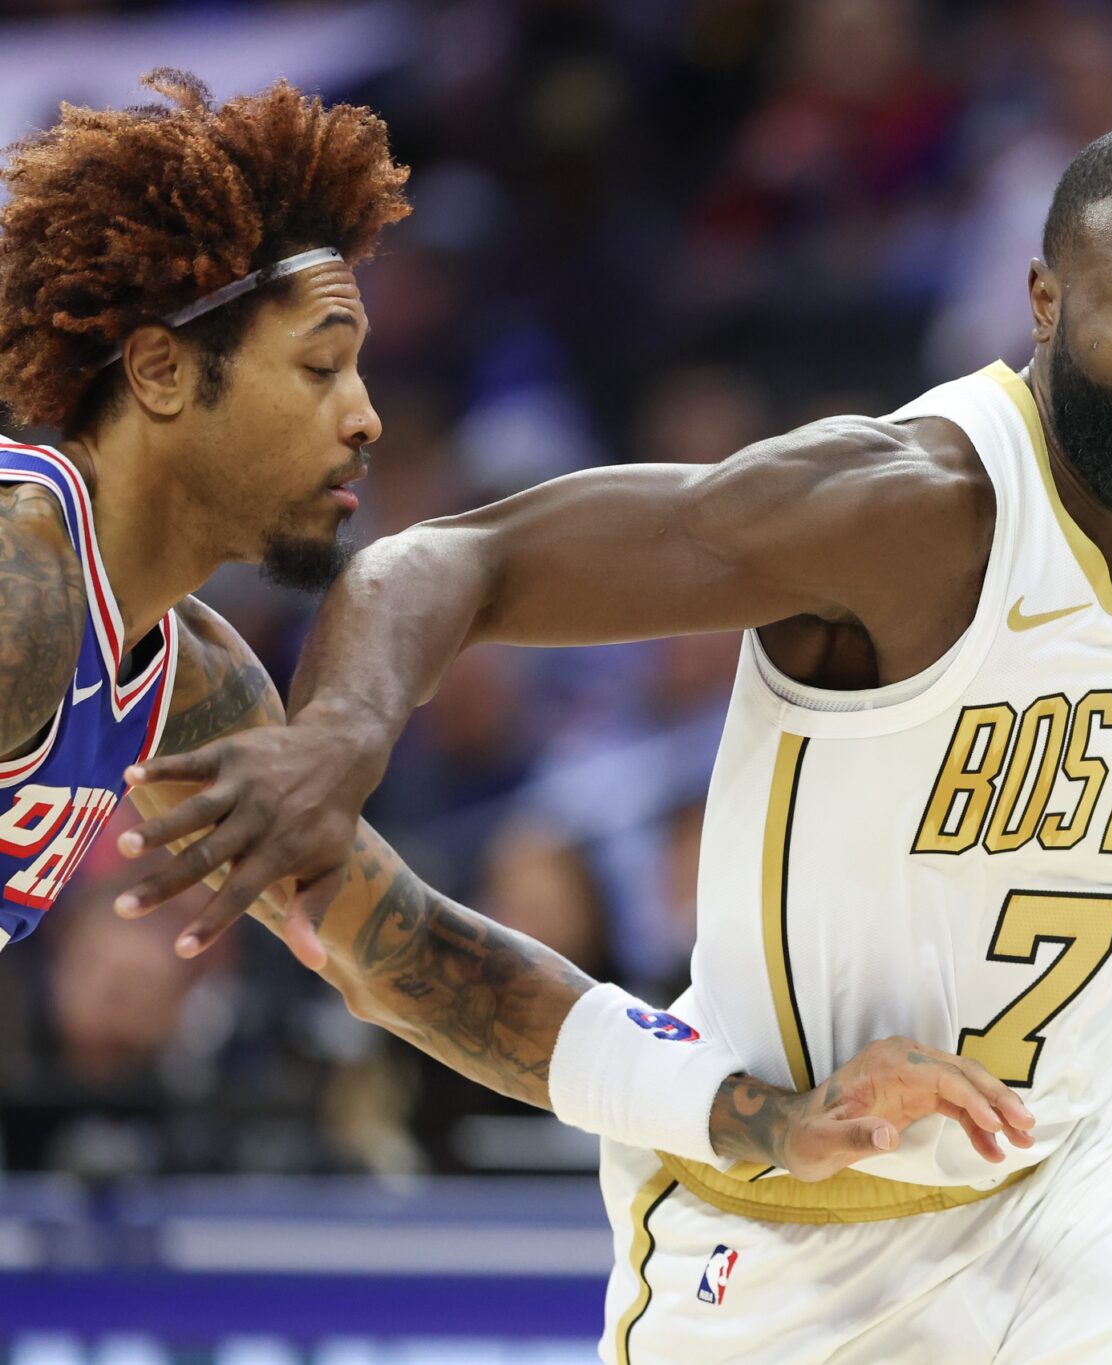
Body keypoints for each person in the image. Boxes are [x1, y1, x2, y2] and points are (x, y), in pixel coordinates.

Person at [126, 115, 1112, 1363]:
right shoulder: (905, 508)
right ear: (1045, 301)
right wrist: (342, 728)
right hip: (787, 1203)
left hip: (1092, 1173)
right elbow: (449, 558)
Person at [0, 69, 1033, 1192]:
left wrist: (762, 1121)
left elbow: (405, 955)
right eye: (315, 367)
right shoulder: (22, 582)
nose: (364, 416)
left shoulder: (182, 672)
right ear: (160, 371)